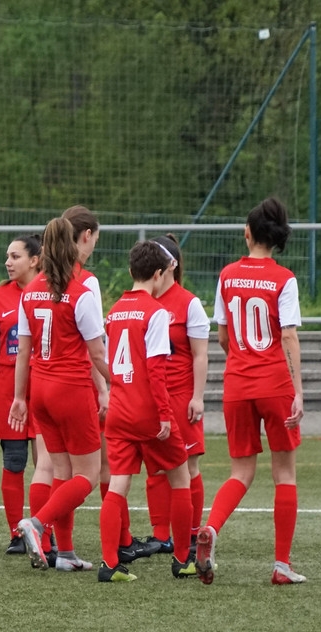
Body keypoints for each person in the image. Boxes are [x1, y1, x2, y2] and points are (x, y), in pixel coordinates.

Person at [196, 197, 305, 585]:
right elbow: (288, 335)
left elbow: (223, 336)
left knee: (240, 472)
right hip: (275, 384)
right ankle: (281, 566)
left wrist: (243, 363)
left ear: (248, 233)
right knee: (284, 474)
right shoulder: (284, 279)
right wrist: (298, 390)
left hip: (237, 384)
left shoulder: (227, 275)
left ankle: (210, 528)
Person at [9, 216, 109, 571]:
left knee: (62, 472)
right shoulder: (80, 293)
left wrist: (19, 398)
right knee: (88, 475)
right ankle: (36, 523)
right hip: (71, 389)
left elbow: (23, 350)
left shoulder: (29, 291)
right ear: (72, 245)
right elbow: (97, 353)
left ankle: (65, 553)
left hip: (40, 389)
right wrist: (121, 384)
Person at [61, 205, 159, 565]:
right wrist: (106, 389)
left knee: (54, 470)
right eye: (95, 239)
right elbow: (95, 348)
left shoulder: (44, 278)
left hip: (42, 381)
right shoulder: (84, 282)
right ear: (86, 236)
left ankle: (60, 548)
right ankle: (118, 542)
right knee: (103, 470)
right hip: (79, 384)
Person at [97, 241, 194, 582]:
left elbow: (109, 362)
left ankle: (110, 564)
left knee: (117, 486)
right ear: (158, 274)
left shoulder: (115, 311)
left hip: (119, 409)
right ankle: (183, 560)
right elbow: (155, 369)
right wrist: (165, 414)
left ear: (130, 271)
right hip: (148, 411)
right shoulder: (156, 312)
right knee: (181, 479)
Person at [0, 234, 49, 555]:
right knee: (14, 459)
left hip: (45, 381)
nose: (7, 262)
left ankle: (44, 531)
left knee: (46, 461)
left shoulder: (52, 292)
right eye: (7, 256)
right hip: (9, 384)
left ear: (35, 260)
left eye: (15, 256)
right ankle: (17, 535)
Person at [143, 234, 210, 560]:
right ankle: (161, 536)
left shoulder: (188, 303)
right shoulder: (144, 300)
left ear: (170, 264)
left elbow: (199, 354)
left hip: (181, 396)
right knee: (155, 467)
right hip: (152, 397)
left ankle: (193, 534)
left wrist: (197, 397)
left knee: (189, 465)